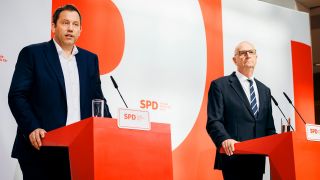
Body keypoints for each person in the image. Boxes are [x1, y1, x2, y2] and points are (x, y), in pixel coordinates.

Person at [8, 4, 112, 180]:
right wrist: (32, 127)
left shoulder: (90, 60)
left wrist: (109, 130)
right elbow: (17, 95)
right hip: (41, 148)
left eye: (75, 24)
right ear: (53, 26)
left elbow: (97, 100)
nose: (70, 28)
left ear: (80, 30)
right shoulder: (33, 54)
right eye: (65, 23)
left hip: (78, 151)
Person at [206, 41, 276, 180]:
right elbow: (214, 121)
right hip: (233, 158)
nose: (248, 55)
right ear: (234, 60)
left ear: (256, 57)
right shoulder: (220, 86)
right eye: (242, 53)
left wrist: (280, 142)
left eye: (251, 52)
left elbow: (269, 127)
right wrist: (225, 139)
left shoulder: (264, 90)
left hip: (257, 161)